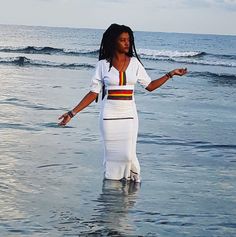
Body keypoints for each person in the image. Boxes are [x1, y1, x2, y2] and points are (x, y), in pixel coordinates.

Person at [58, 23, 187, 183]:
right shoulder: (102, 65)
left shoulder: (135, 63)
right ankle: (111, 196)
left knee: (127, 155)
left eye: (129, 40)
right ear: (114, 42)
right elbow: (93, 93)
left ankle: (127, 193)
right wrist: (72, 113)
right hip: (108, 117)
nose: (127, 43)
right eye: (123, 40)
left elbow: (150, 86)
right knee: (112, 156)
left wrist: (170, 74)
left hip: (129, 117)